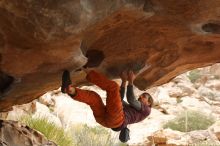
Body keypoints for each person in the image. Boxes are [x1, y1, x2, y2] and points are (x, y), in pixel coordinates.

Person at [61, 69, 153, 142]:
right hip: (106, 121)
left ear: (149, 103)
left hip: (117, 120)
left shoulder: (147, 110)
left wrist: (131, 81)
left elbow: (131, 99)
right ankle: (70, 89)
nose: (140, 96)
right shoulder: (133, 110)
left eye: (144, 96)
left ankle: (86, 68)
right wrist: (124, 81)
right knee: (94, 98)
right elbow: (119, 99)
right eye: (141, 95)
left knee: (113, 87)